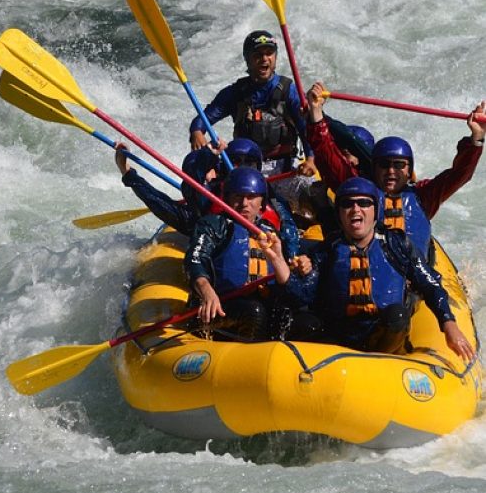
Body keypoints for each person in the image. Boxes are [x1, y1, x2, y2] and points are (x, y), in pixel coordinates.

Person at [259, 177, 475, 361]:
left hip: (381, 337)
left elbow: (430, 285)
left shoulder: (396, 245)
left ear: (375, 211)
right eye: (347, 204)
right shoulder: (328, 251)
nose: (355, 209)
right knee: (305, 323)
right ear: (339, 213)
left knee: (397, 315)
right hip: (338, 336)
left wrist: (448, 323)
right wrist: (278, 261)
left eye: (363, 203)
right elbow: (301, 295)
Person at [306, 81, 485, 257]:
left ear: (409, 171)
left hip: (414, 281)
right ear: (374, 168)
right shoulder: (359, 192)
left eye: (399, 165)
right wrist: (315, 112)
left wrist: (476, 138)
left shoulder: (424, 195)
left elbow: (460, 174)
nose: (391, 171)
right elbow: (327, 155)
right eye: (384, 165)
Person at [188, 30, 317, 179]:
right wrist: (197, 132)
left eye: (269, 53)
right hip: (247, 169)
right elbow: (203, 119)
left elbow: (305, 128)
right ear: (247, 60)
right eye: (257, 55)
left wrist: (311, 159)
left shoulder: (288, 90)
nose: (264, 59)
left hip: (286, 167)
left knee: (312, 194)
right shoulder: (235, 93)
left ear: (275, 57)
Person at [184, 167, 277, 340]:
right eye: (237, 196)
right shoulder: (214, 225)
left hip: (256, 305)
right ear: (226, 198)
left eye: (251, 197)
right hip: (214, 307)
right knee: (254, 312)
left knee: (287, 315)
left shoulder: (269, 232)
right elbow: (195, 260)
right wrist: (206, 289)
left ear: (262, 202)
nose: (244, 204)